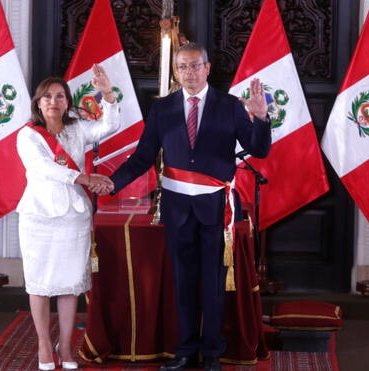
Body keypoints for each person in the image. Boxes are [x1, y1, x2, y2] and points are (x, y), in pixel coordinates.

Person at [109, 43, 271, 371]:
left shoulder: (230, 106)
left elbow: (259, 149)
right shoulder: (163, 108)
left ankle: (211, 353)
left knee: (212, 283)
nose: (189, 72)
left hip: (216, 208)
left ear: (208, 69)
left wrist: (262, 117)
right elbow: (143, 156)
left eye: (195, 66)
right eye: (182, 67)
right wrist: (113, 182)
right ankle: (185, 351)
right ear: (176, 72)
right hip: (177, 209)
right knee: (182, 282)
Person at [16, 69, 119, 371]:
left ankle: (66, 345)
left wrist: (108, 95)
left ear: (67, 101)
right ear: (38, 102)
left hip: (73, 217)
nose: (53, 101)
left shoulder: (77, 129)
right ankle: (44, 344)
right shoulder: (27, 135)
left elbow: (109, 126)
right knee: (40, 284)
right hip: (39, 216)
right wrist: (86, 178)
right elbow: (44, 168)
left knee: (69, 284)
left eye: (60, 96)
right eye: (47, 96)